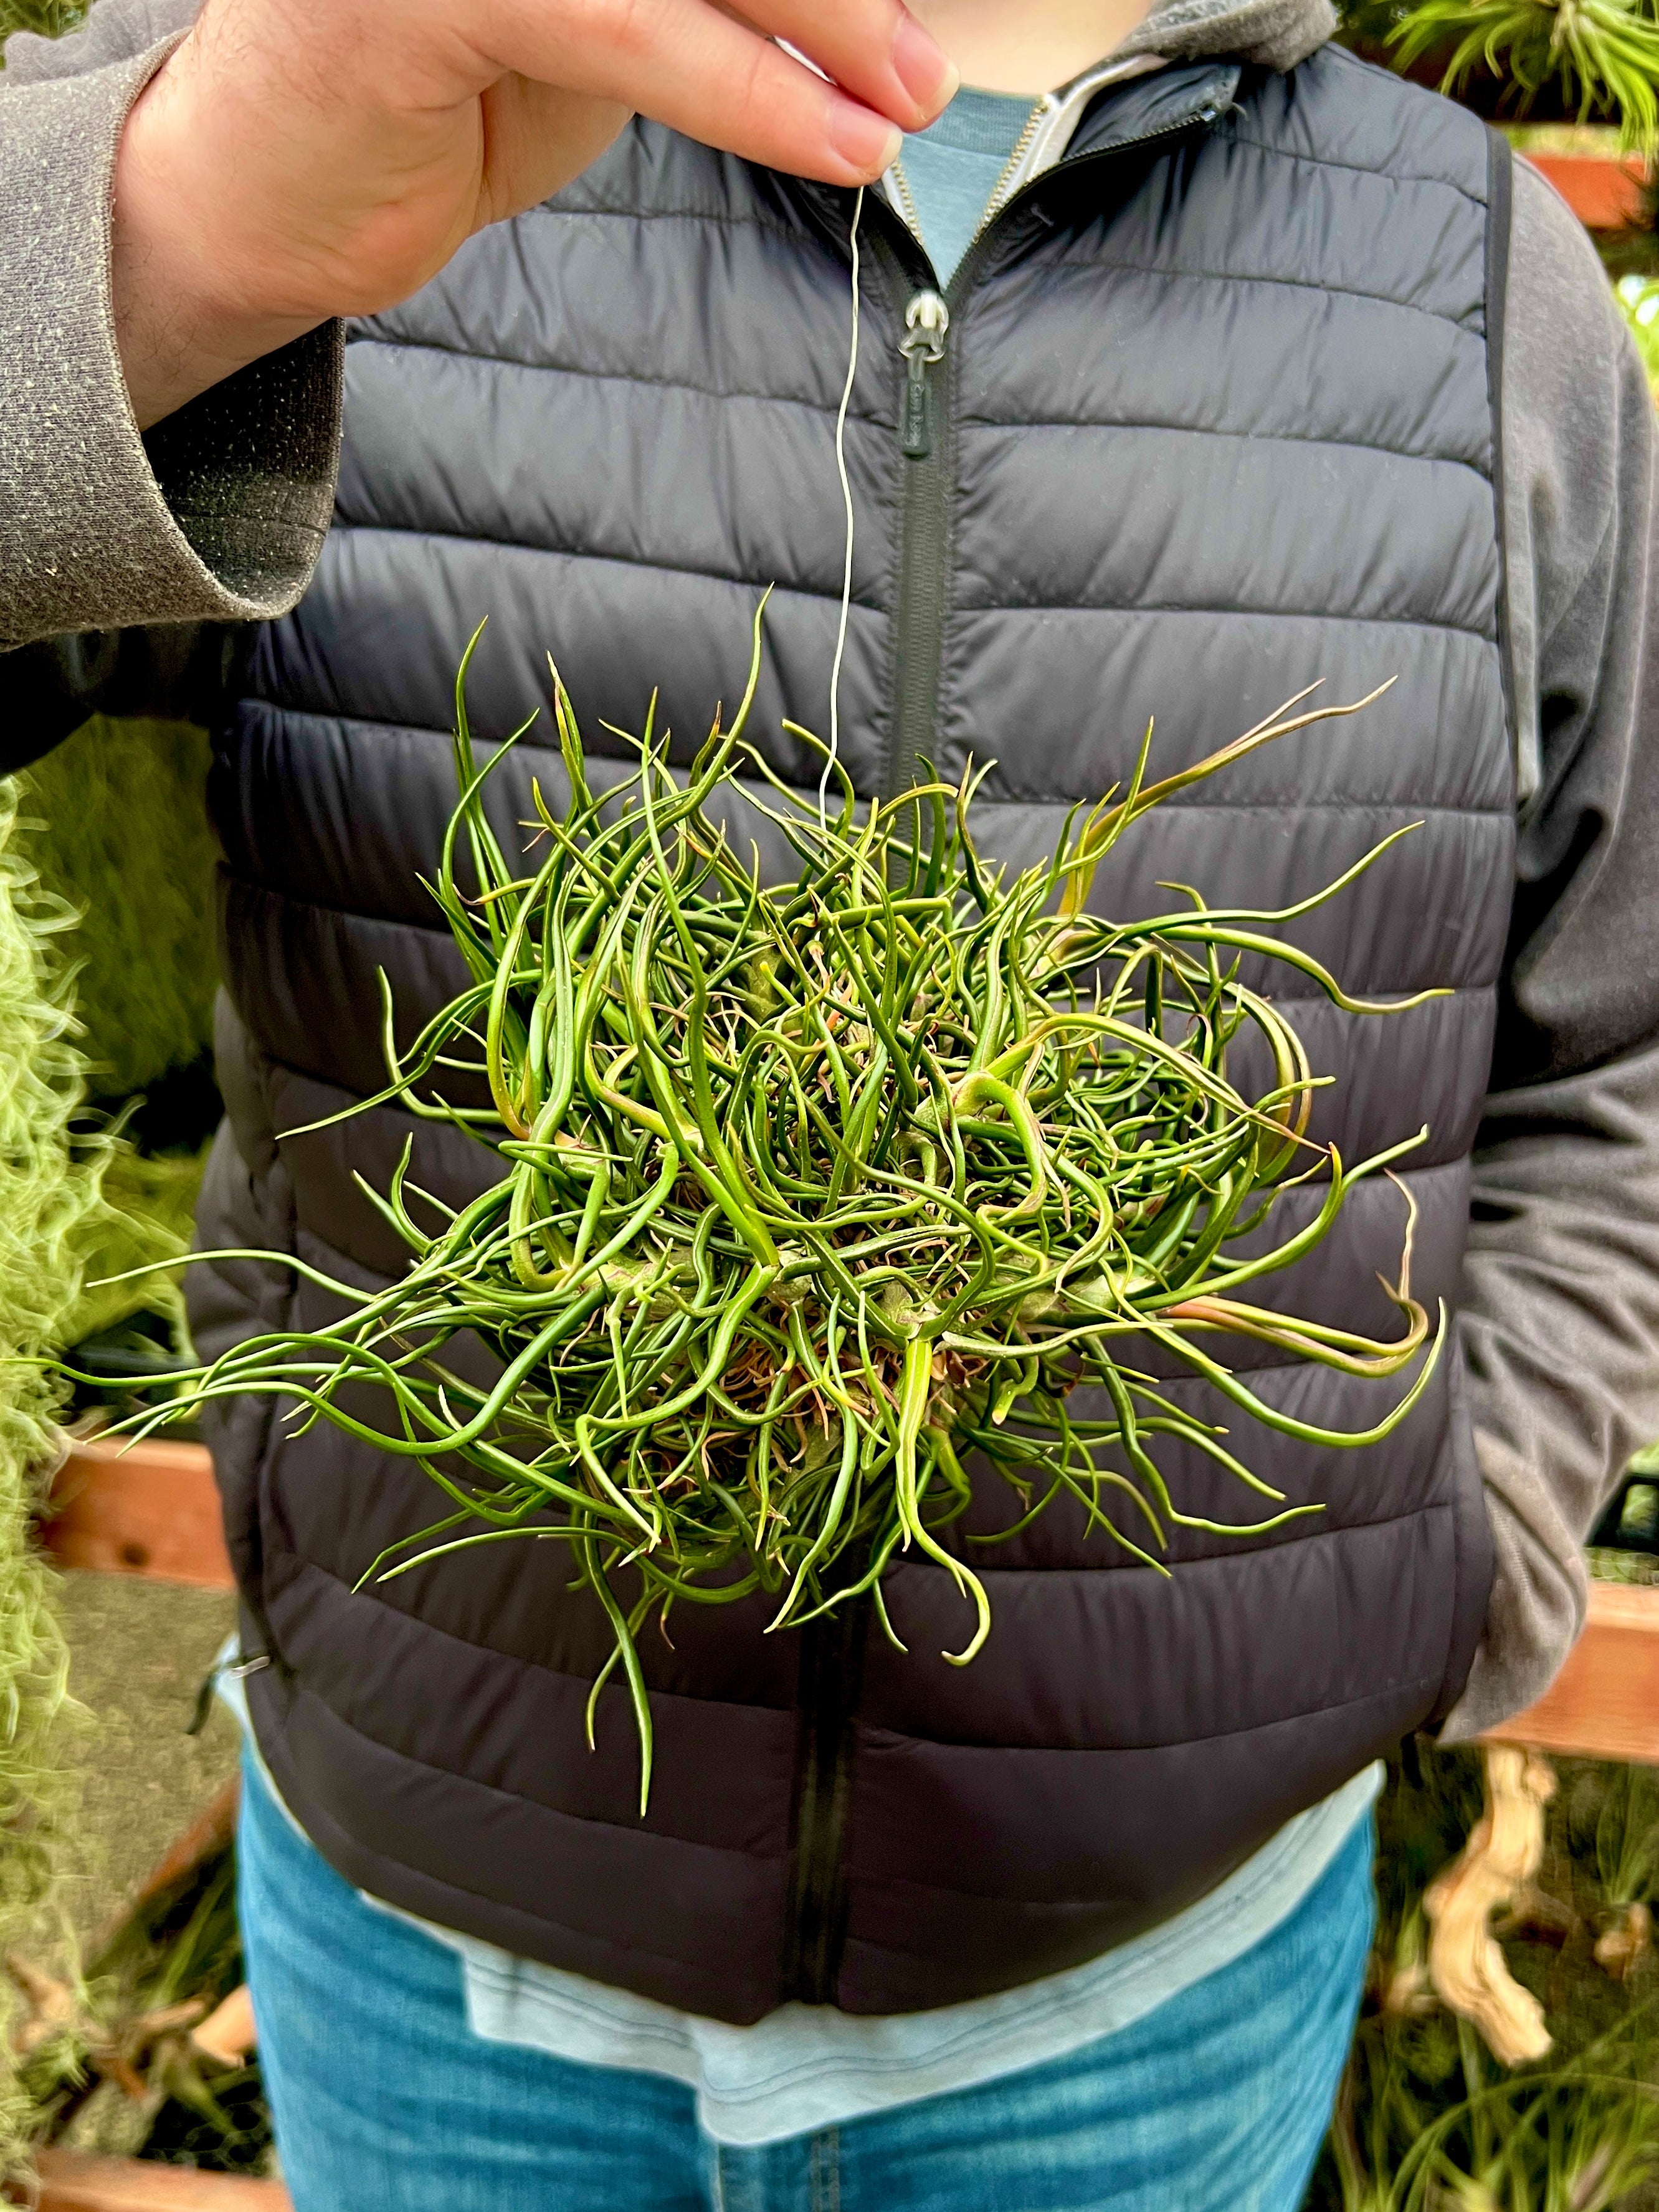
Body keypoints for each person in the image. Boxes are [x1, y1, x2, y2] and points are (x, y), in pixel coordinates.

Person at [4, 0, 1658, 2203]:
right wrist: (171, 223)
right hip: (435, 1944)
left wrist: (1473, 1557)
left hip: (1153, 1987)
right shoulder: (356, 59)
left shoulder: (1481, 277)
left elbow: (1615, 1049)